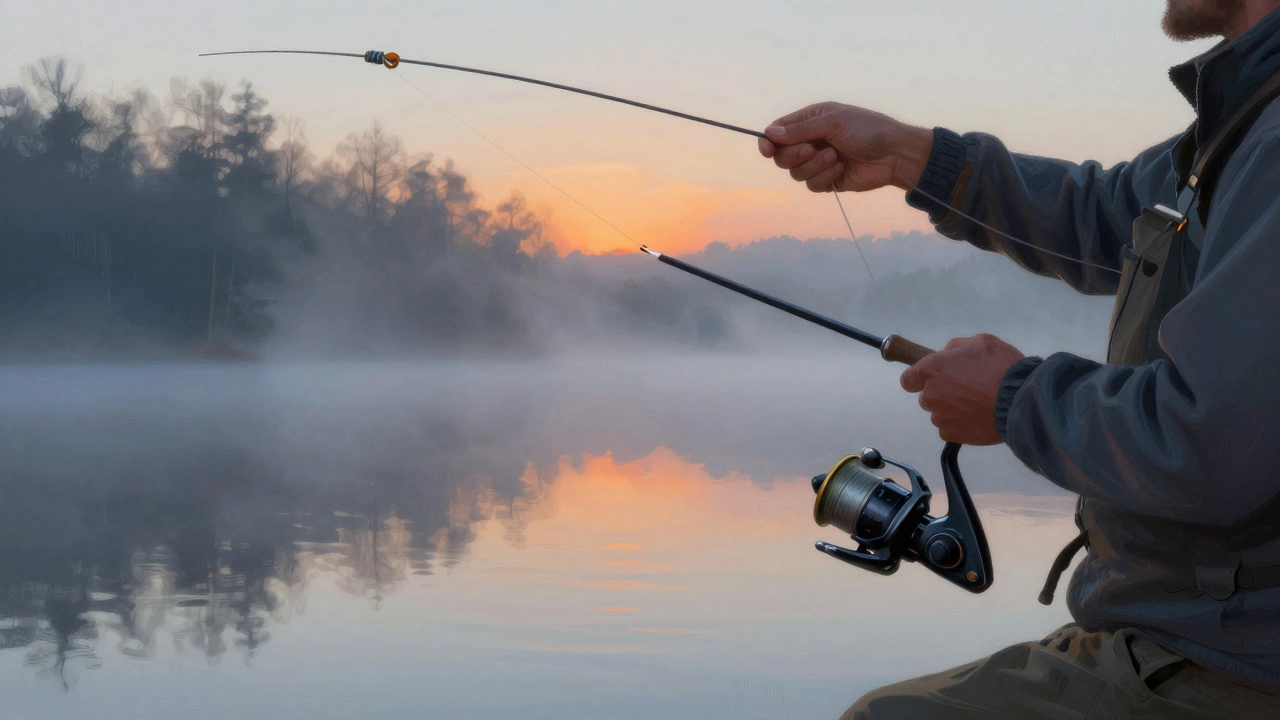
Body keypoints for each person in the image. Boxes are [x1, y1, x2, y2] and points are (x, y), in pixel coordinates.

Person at [759, 1, 1280, 717]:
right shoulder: (1251, 112)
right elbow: (1111, 214)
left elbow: (1214, 443)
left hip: (1234, 660)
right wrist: (915, 156)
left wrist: (1015, 398)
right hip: (1187, 626)